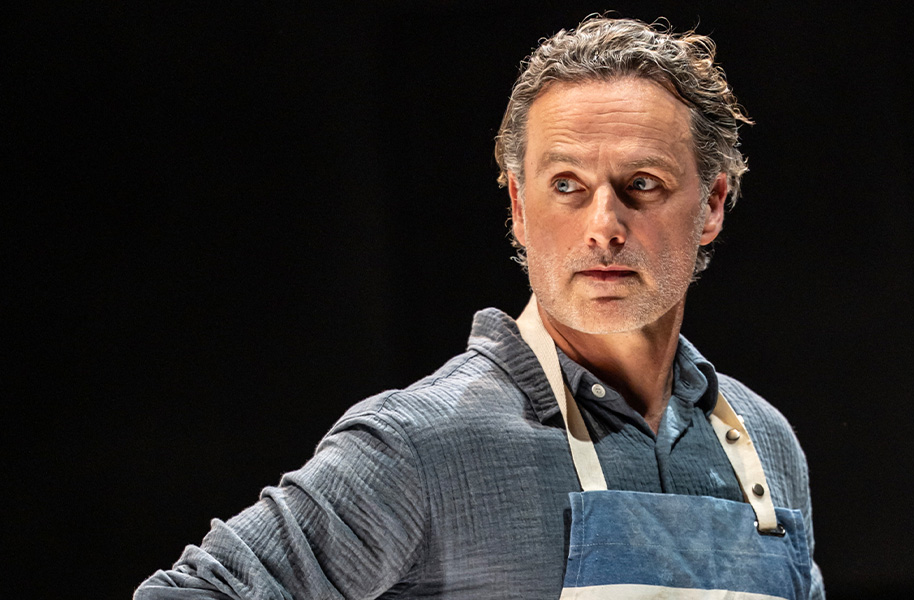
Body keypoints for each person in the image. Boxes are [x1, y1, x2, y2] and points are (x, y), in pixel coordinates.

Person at [136, 15, 824, 600]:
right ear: (520, 208)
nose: (604, 225)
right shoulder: (423, 445)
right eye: (567, 185)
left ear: (711, 205)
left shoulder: (764, 444)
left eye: (642, 183)